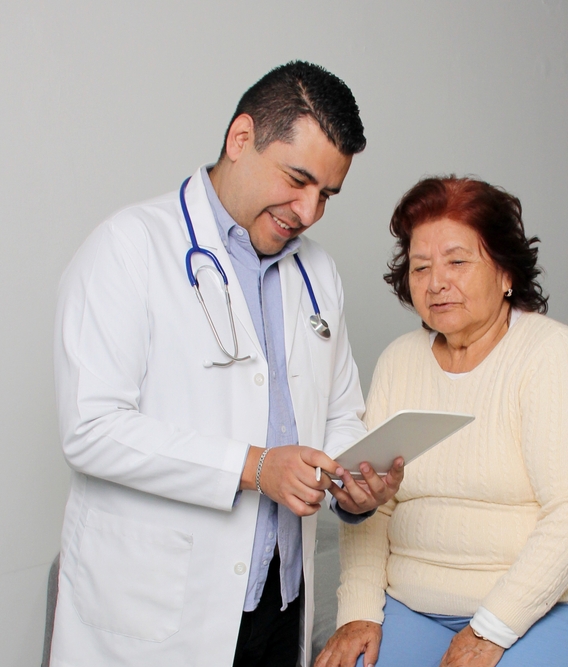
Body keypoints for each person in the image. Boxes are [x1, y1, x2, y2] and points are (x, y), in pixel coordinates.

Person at [49, 61, 403, 667]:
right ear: (242, 139)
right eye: (297, 179)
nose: (310, 211)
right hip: (156, 608)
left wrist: (355, 484)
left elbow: (341, 412)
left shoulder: (317, 272)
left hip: (278, 596)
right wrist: (253, 467)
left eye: (327, 194)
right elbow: (90, 428)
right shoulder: (130, 246)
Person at [316, 176, 568, 667]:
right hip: (415, 602)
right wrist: (357, 613)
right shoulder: (400, 360)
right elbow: (375, 505)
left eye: (457, 262)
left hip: (553, 605)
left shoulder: (550, 352)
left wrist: (492, 628)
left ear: (506, 273)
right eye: (421, 267)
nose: (436, 281)